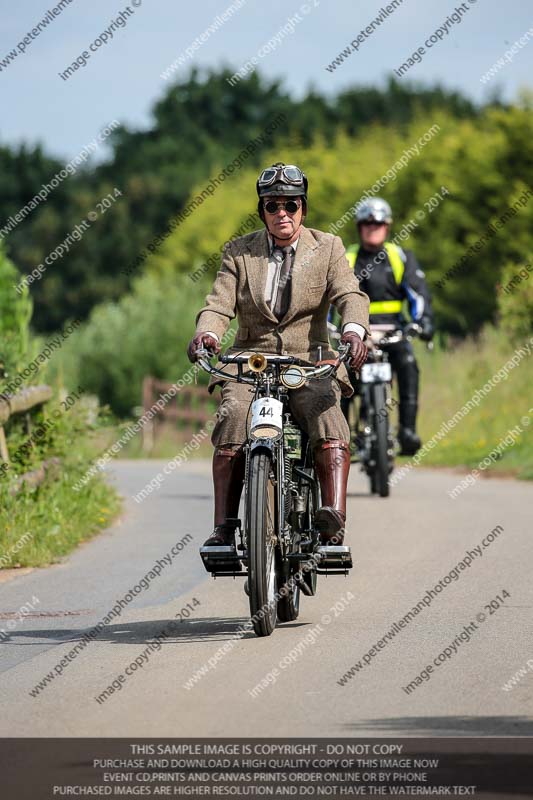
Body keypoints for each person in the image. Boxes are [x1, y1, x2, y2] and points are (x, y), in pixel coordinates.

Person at [187, 162, 369, 548]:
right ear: (262, 211)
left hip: (310, 361)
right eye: (273, 206)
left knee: (326, 413)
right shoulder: (239, 252)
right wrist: (206, 334)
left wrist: (354, 331)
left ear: (303, 208)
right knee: (233, 416)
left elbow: (350, 295)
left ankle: (333, 520)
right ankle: (224, 526)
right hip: (249, 363)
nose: (282, 214)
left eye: (290, 205)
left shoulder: (329, 247)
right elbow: (218, 305)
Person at [336, 197, 434, 455]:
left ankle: (407, 431)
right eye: (367, 223)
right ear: (359, 226)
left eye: (378, 223)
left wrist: (423, 322)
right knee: (339, 376)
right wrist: (326, 328)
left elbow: (419, 294)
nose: (373, 227)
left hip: (393, 333)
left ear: (387, 226)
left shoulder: (399, 256)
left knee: (409, 364)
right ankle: (338, 440)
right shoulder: (346, 258)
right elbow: (328, 299)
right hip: (355, 336)